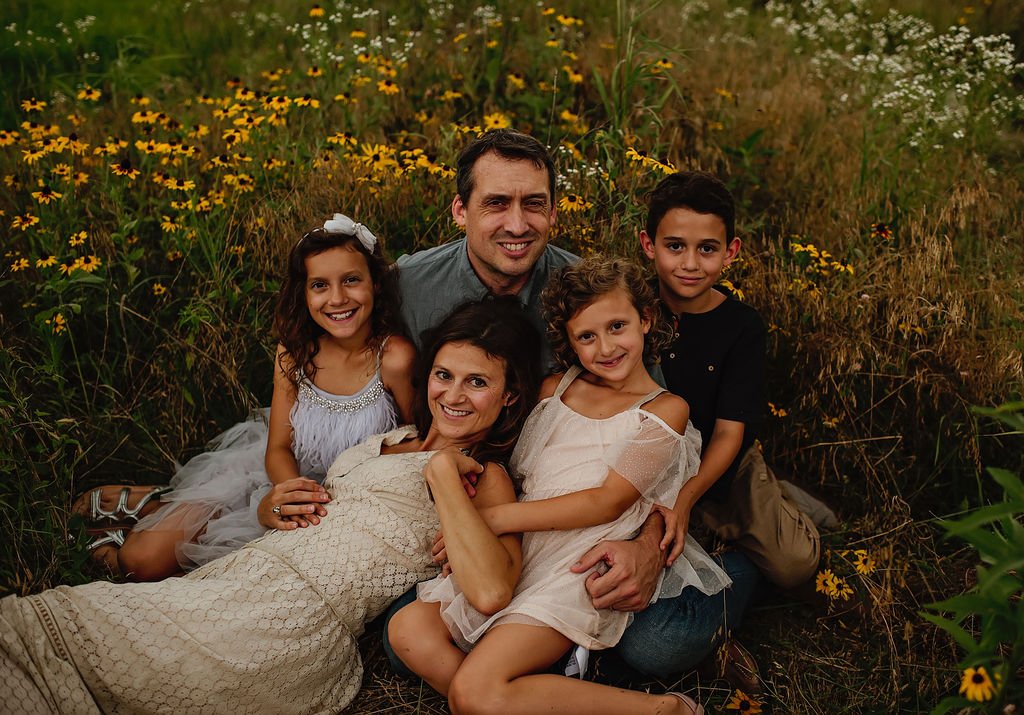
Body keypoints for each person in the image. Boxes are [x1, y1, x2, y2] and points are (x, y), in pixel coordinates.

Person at [0, 297, 543, 714]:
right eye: (445, 376)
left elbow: (492, 590)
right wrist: (268, 510)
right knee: (39, 624)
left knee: (86, 654)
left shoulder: (486, 478)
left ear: (510, 394)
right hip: (243, 572)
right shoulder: (396, 435)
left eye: (478, 383)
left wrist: (445, 472)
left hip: (295, 616)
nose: (453, 395)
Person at [388, 257, 730, 715]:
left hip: (576, 565)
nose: (605, 347)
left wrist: (485, 519)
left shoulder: (665, 409)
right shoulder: (555, 388)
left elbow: (605, 502)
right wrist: (477, 527)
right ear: (568, 341)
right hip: (521, 548)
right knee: (408, 629)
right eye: (586, 336)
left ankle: (664, 710)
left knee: (475, 692)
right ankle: (516, 700)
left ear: (646, 320)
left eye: (617, 326)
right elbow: (514, 464)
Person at [73, 214, 416, 581]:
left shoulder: (394, 359)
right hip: (280, 478)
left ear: (375, 284)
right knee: (141, 562)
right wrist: (286, 491)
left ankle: (153, 507)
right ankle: (156, 502)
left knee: (181, 571)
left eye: (351, 280)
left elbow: (420, 441)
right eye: (320, 285)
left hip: (347, 500)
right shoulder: (296, 353)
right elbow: (279, 448)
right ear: (303, 293)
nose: (337, 298)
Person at [628, 170, 822, 682]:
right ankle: (726, 536)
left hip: (723, 460)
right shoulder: (631, 307)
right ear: (649, 245)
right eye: (675, 246)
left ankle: (778, 507)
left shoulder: (741, 326)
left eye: (707, 249)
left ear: (731, 251)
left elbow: (732, 433)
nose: (690, 264)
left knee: (794, 566)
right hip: (649, 463)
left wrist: (686, 501)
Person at [395, 128, 576, 365]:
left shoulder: (585, 292)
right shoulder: (407, 287)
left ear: (552, 212)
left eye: (533, 204)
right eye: (497, 203)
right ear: (461, 211)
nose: (517, 226)